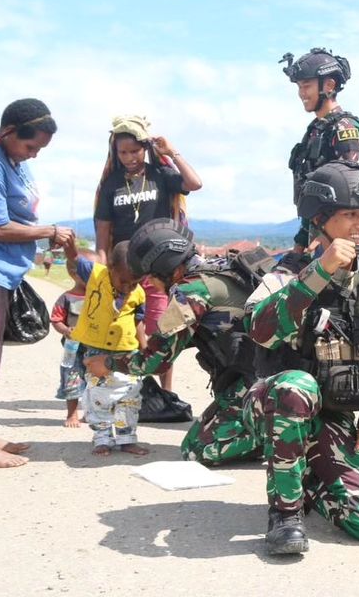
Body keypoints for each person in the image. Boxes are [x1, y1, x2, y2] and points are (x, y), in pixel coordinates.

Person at [245, 163, 359, 555]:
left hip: (330, 415)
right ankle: (285, 514)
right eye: (351, 214)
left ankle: (308, 476)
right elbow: (259, 330)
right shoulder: (286, 273)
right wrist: (320, 272)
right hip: (272, 404)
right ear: (320, 219)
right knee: (299, 385)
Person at [120, 218, 264, 465]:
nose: (148, 284)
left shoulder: (192, 290)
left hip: (261, 382)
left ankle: (281, 435)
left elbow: (157, 361)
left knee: (197, 449)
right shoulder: (218, 268)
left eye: (152, 277)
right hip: (264, 374)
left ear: (171, 269)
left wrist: (111, 363)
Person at [0, 98, 70, 468]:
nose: (34, 155)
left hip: (1, 274)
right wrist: (48, 230)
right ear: (9, 133)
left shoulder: (11, 161)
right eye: (31, 146)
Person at [94, 114, 202, 392]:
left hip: (159, 269)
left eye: (134, 151)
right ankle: (122, 388)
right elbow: (103, 233)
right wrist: (102, 272)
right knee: (122, 329)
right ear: (114, 153)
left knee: (161, 329)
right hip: (125, 271)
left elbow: (194, 183)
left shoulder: (161, 175)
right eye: (123, 152)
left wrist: (171, 152)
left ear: (145, 149)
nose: (129, 157)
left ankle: (164, 393)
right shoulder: (110, 184)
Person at [281, 47, 359, 252]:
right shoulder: (318, 130)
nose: (301, 93)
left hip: (340, 243)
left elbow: (352, 200)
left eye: (306, 86)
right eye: (299, 87)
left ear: (329, 85)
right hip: (319, 236)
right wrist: (300, 245)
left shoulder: (344, 129)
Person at [65, 239, 150, 457]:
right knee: (98, 397)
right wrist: (69, 245)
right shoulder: (95, 275)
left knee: (130, 397)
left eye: (134, 283)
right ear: (110, 268)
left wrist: (144, 345)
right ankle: (102, 438)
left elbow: (138, 320)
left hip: (127, 351)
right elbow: (75, 259)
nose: (128, 287)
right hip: (96, 350)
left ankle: (127, 438)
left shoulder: (139, 292)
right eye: (124, 281)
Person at [51, 255, 89, 427]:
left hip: (96, 348)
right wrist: (66, 330)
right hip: (72, 349)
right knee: (72, 378)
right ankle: (72, 413)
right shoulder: (66, 298)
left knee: (97, 382)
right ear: (74, 274)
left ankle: (92, 413)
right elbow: (56, 319)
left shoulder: (100, 296)